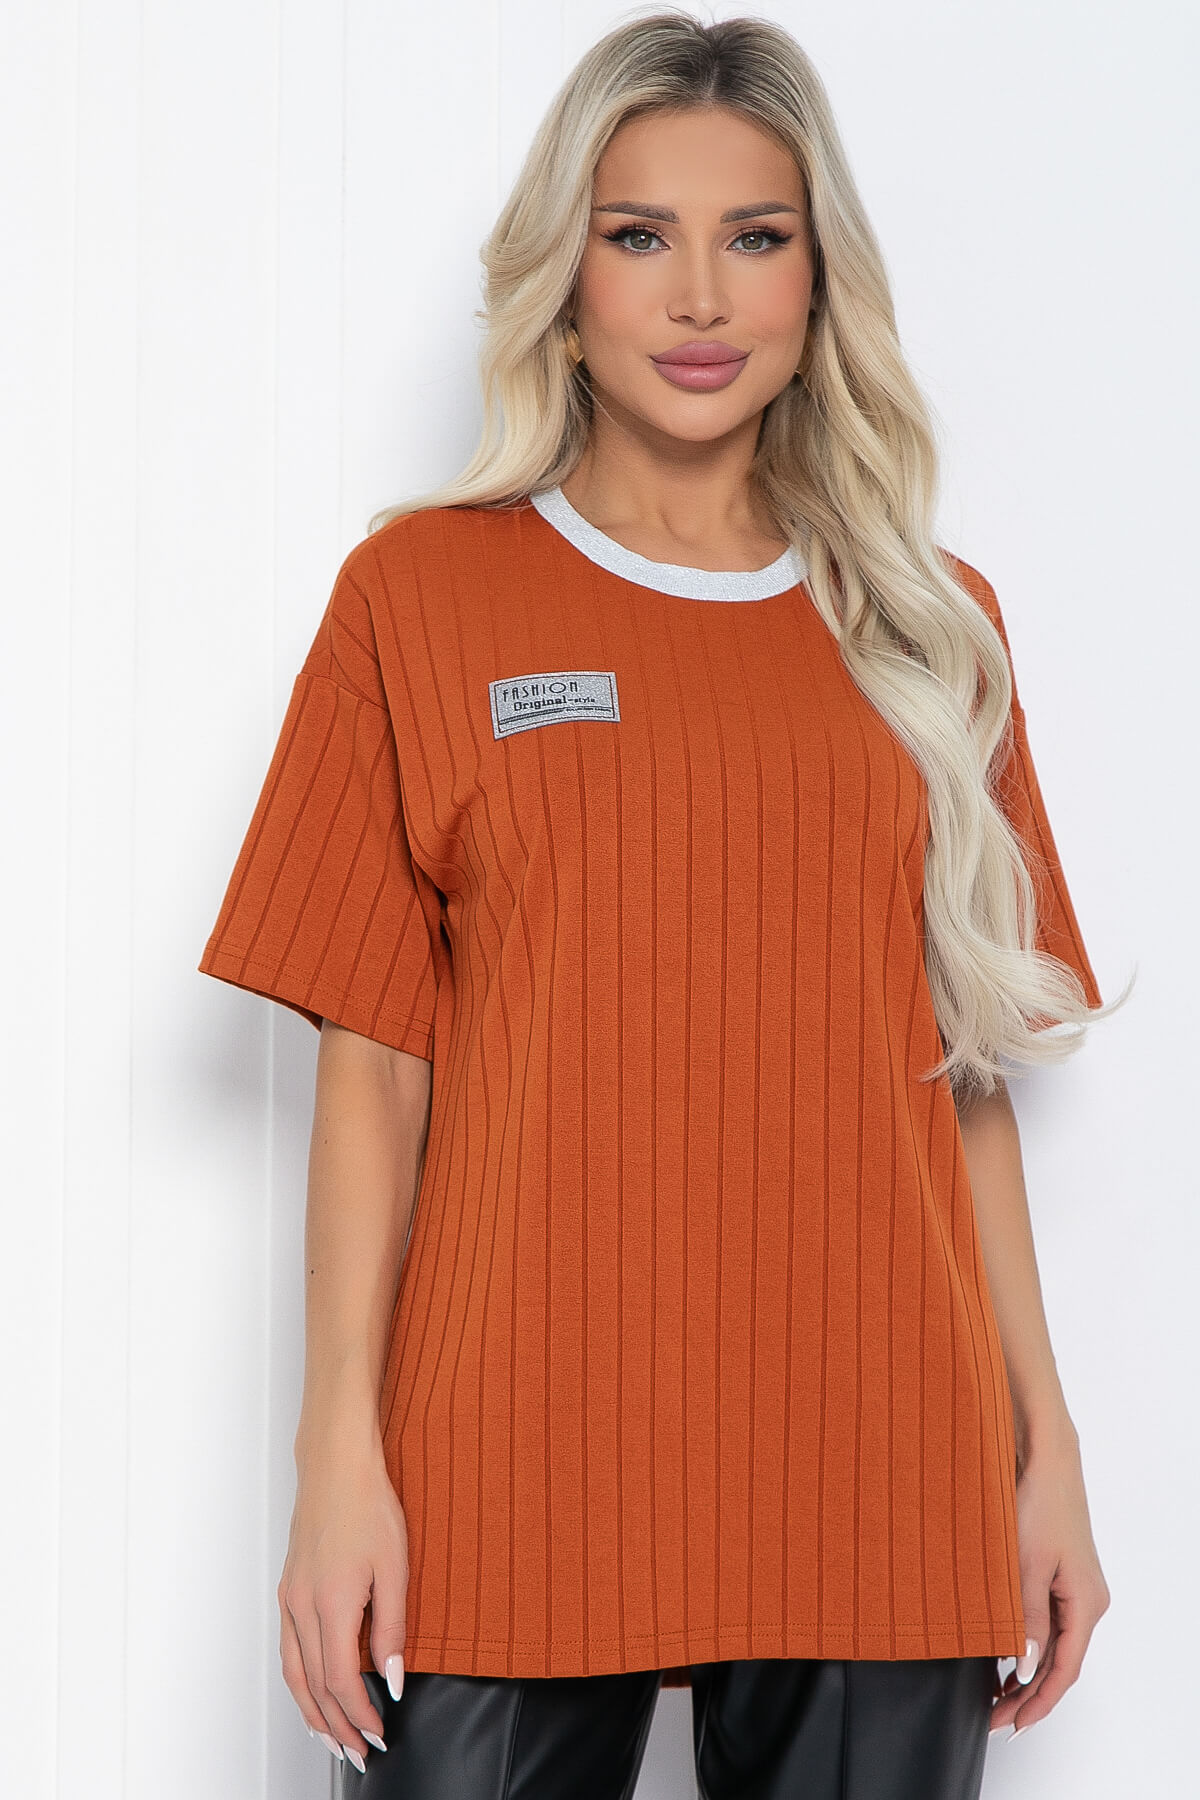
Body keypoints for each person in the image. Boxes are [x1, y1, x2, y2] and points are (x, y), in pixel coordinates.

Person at [197, 11, 1128, 1797]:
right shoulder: (420, 598)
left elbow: (966, 1085)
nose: (700, 295)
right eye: (640, 236)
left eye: (754, 237)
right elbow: (371, 1064)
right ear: (567, 283)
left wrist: (1049, 1448)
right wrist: (336, 1459)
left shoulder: (934, 627)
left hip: (880, 1460)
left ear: (817, 283)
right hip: (499, 1459)